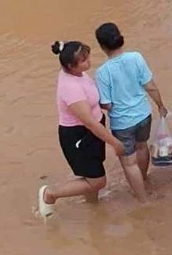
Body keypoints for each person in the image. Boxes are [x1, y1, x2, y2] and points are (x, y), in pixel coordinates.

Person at [39, 40, 127, 217]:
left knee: (92, 173)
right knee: (98, 181)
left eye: (87, 57)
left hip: (92, 131)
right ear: (71, 66)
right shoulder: (70, 88)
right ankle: (50, 194)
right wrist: (114, 142)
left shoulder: (78, 74)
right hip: (79, 137)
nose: (89, 62)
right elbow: (89, 123)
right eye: (83, 60)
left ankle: (93, 207)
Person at [94, 23, 167, 203]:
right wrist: (161, 106)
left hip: (122, 123)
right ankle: (144, 180)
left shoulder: (103, 72)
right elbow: (150, 86)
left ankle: (143, 199)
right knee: (142, 146)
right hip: (144, 114)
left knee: (129, 163)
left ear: (102, 46)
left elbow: (108, 105)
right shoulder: (136, 57)